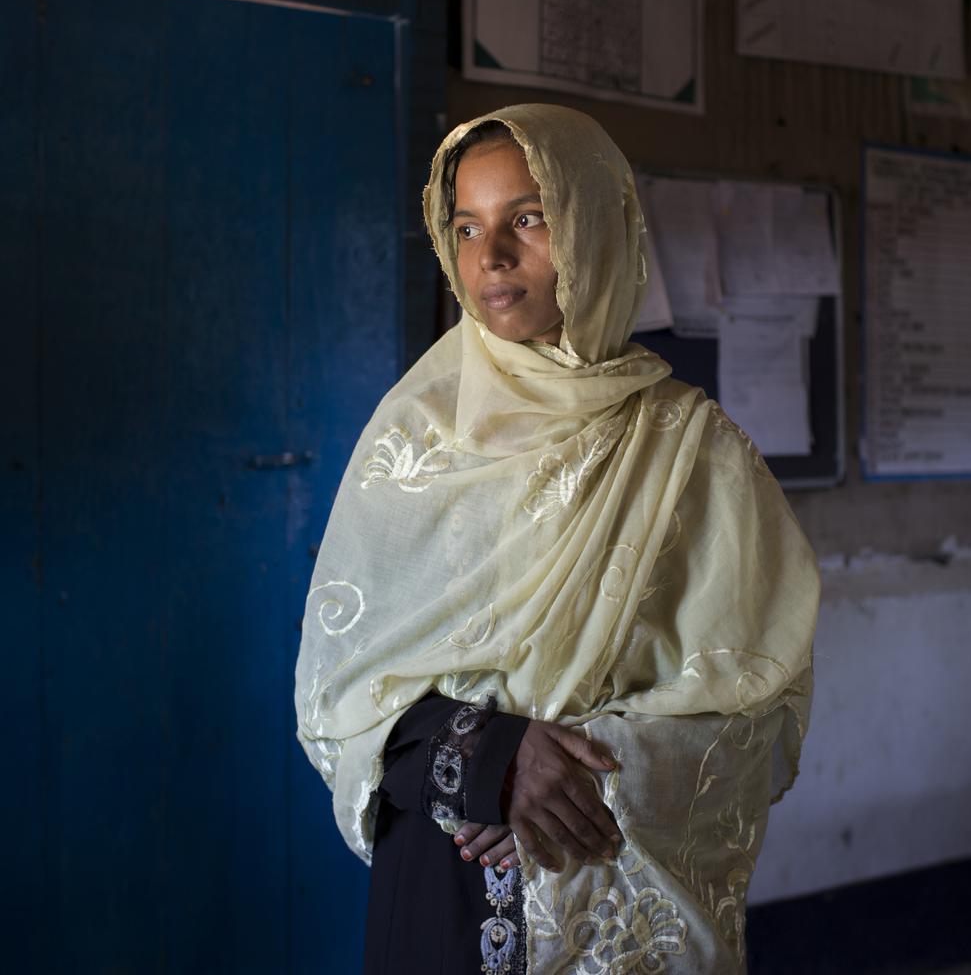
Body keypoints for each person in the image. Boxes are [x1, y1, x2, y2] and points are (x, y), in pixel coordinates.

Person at [294, 103, 819, 974]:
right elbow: (341, 692)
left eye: (528, 219)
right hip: (445, 878)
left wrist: (570, 778)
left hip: (604, 873)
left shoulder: (694, 450)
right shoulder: (415, 436)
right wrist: (490, 762)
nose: (491, 257)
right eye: (467, 227)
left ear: (597, 227)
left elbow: (754, 705)